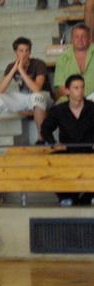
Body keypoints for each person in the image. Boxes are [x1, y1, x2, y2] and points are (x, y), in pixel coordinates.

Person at [0, 37, 53, 154]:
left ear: (30, 52)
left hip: (43, 97)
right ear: (15, 52)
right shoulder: (11, 66)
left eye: (27, 50)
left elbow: (36, 89)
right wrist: (14, 69)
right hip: (24, 97)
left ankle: (41, 139)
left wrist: (21, 71)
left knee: (36, 97)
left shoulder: (39, 64)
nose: (24, 54)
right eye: (21, 51)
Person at [40, 75, 94, 205]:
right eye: (76, 88)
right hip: (67, 150)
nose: (80, 91)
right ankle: (66, 196)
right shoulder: (58, 110)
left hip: (89, 150)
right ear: (67, 90)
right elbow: (45, 129)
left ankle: (90, 196)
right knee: (52, 161)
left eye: (82, 87)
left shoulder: (92, 108)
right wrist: (54, 143)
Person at [53, 23, 94, 100]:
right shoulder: (62, 59)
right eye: (76, 37)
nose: (80, 40)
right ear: (71, 39)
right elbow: (61, 86)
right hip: (71, 99)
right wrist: (76, 99)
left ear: (89, 38)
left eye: (83, 36)